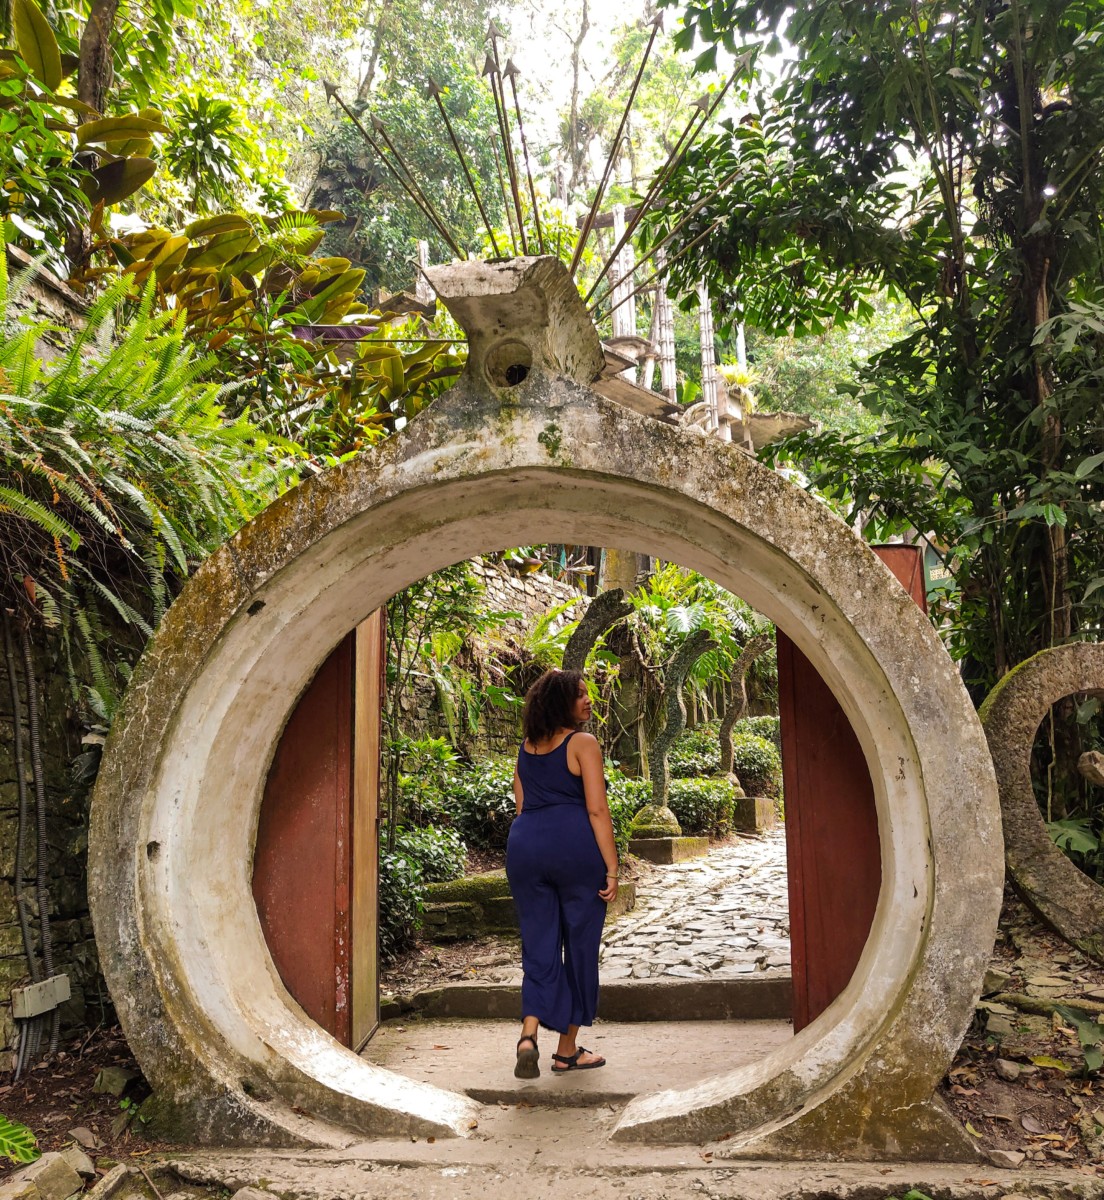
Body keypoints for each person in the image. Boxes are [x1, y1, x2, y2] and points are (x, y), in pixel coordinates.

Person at [505, 668, 619, 1079]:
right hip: (574, 850)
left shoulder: (526, 747)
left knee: (539, 946)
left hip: (525, 849)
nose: (589, 700)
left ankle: (528, 1035)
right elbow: (596, 809)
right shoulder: (583, 743)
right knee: (581, 948)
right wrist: (612, 866)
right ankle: (567, 1051)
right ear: (561, 703)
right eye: (581, 695)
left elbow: (521, 805)